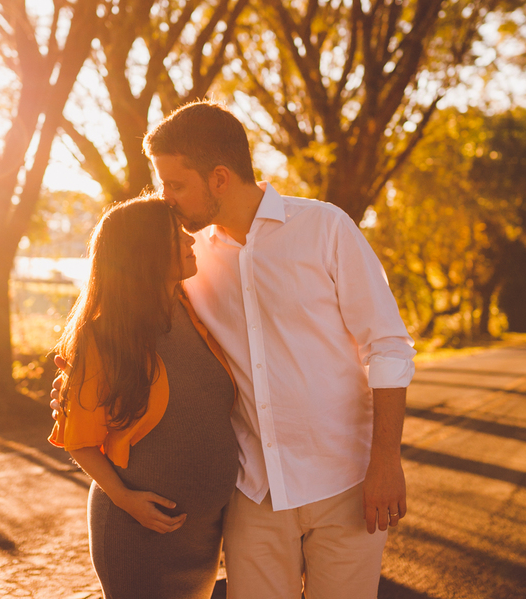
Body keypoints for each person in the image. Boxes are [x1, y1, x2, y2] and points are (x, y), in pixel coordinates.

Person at [57, 100, 417, 599]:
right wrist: (78, 375)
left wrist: (385, 462)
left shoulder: (325, 228)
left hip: (346, 481)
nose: (168, 199)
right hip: (254, 491)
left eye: (176, 185)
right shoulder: (188, 258)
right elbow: (133, 320)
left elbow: (389, 347)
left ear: (220, 178)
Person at [48, 195, 240, 599]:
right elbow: (79, 439)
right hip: (134, 531)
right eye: (177, 234)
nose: (192, 240)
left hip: (202, 536)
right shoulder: (104, 337)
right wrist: (125, 499)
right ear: (145, 249)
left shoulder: (195, 312)